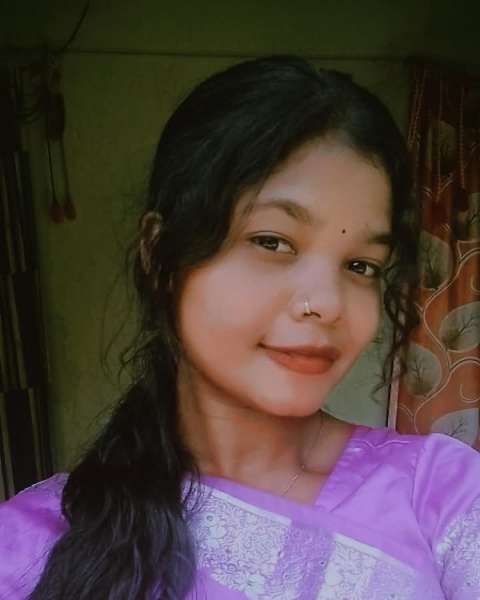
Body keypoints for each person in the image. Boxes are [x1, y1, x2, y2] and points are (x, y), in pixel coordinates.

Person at [0, 55, 479, 600]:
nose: (327, 304)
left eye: (361, 265)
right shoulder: (31, 545)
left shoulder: (441, 495)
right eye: (272, 241)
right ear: (159, 255)